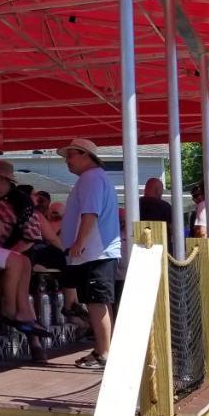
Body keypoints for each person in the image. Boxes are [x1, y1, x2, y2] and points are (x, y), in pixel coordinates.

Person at [57, 138, 121, 368]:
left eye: (71, 156)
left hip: (95, 251)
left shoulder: (91, 178)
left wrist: (79, 242)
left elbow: (90, 213)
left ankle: (104, 352)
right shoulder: (97, 178)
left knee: (97, 301)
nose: (67, 161)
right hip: (96, 251)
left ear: (85, 155)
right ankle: (103, 349)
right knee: (99, 301)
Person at [0, 160, 50, 358]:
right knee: (21, 268)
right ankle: (31, 335)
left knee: (23, 265)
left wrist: (9, 254)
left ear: (2, 179)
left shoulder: (22, 201)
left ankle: (26, 329)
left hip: (21, 248)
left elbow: (30, 237)